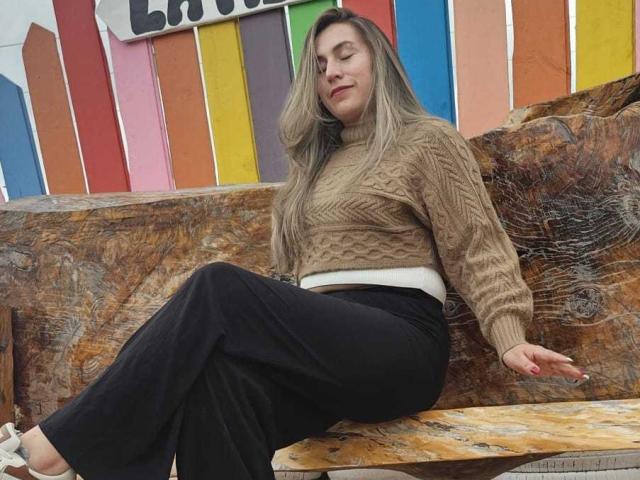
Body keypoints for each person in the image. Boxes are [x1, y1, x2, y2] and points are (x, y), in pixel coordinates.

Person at [0, 7, 586, 480]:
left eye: (345, 55)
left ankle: (57, 447)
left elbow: (476, 243)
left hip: (396, 343)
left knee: (217, 287)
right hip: (321, 350)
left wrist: (509, 335)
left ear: (379, 62)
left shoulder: (426, 141)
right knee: (218, 388)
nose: (331, 71)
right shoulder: (314, 168)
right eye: (320, 64)